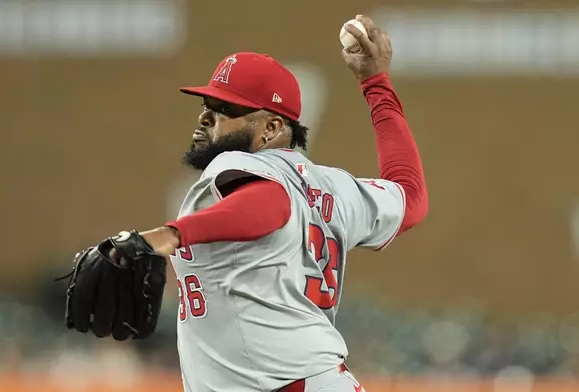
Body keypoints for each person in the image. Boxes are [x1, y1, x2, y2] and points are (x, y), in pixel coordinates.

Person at [139, 14, 428, 392]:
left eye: (225, 109)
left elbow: (270, 205)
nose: (205, 117)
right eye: (207, 104)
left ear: (272, 129)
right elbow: (410, 196)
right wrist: (376, 84)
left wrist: (166, 236)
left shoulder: (240, 164)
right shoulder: (334, 187)